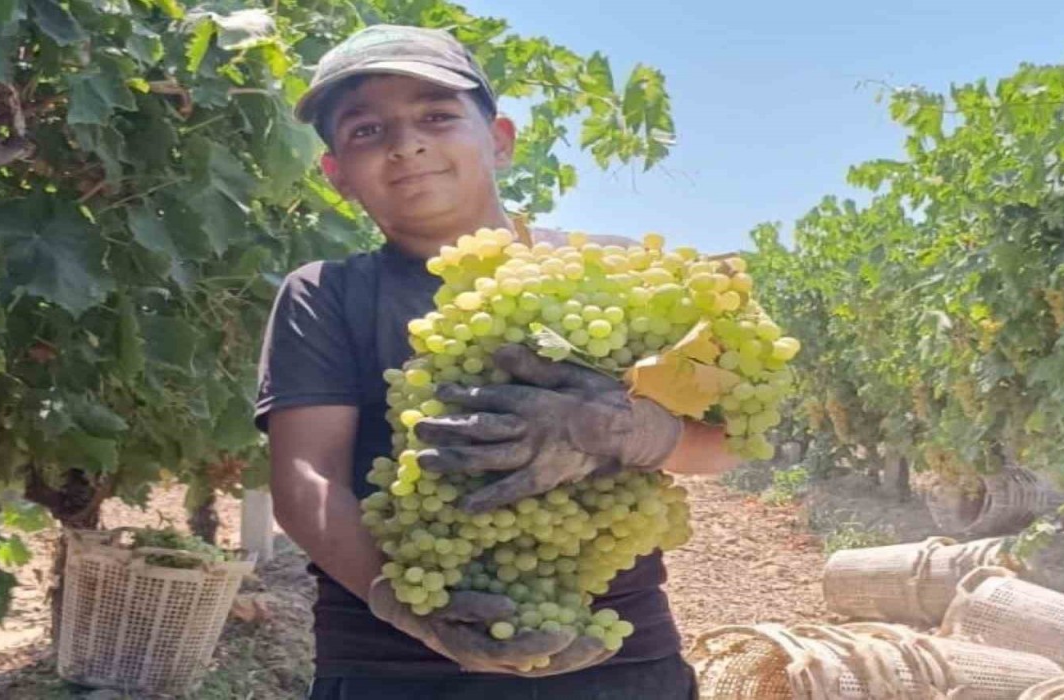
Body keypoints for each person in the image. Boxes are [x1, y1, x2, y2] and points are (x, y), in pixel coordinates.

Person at [254, 23, 739, 700]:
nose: (406, 144)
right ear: (337, 176)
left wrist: (639, 432)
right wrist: (407, 606)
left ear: (500, 140)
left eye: (436, 116)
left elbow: (725, 445)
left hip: (616, 658)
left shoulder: (618, 276)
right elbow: (307, 478)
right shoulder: (324, 294)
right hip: (392, 669)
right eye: (367, 131)